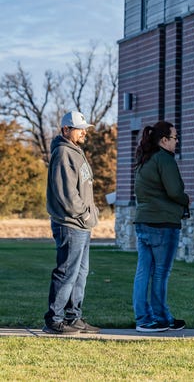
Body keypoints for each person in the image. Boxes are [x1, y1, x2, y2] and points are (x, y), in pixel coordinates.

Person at [43, 111, 101, 335]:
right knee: (67, 272)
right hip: (70, 223)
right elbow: (66, 193)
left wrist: (88, 215)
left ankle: (73, 317)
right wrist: (85, 214)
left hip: (81, 225)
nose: (84, 132)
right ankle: (54, 320)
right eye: (79, 128)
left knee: (80, 273)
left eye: (84, 128)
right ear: (66, 130)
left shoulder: (76, 151)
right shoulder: (64, 153)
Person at [132, 121, 189, 333]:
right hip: (163, 224)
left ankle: (144, 318)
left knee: (143, 272)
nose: (177, 141)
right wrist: (186, 200)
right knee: (160, 274)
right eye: (175, 138)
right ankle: (159, 318)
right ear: (164, 140)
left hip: (143, 221)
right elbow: (174, 191)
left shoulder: (145, 159)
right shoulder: (165, 160)